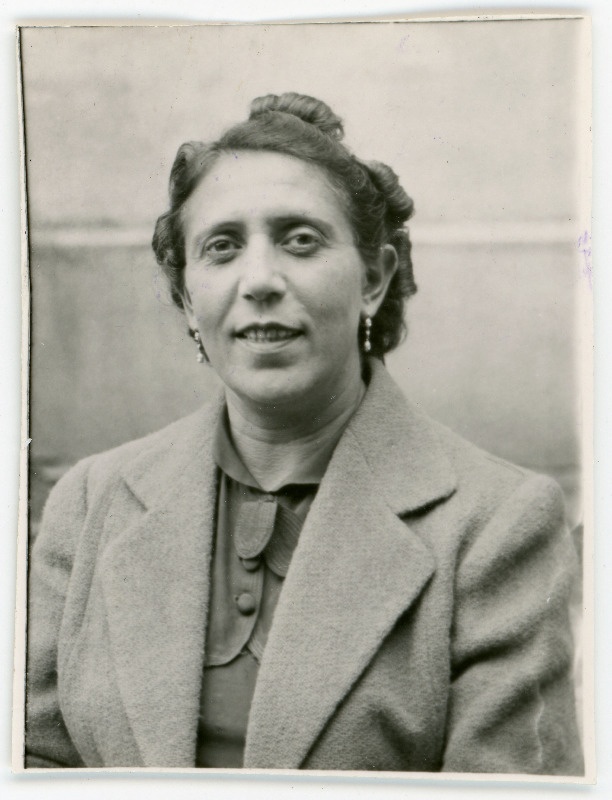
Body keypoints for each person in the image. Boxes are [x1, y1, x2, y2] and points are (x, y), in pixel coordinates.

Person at [25, 92, 583, 773]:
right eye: (222, 247)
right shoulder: (91, 503)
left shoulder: (498, 524)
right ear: (187, 297)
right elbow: (30, 763)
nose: (259, 280)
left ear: (374, 279)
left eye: (300, 240)